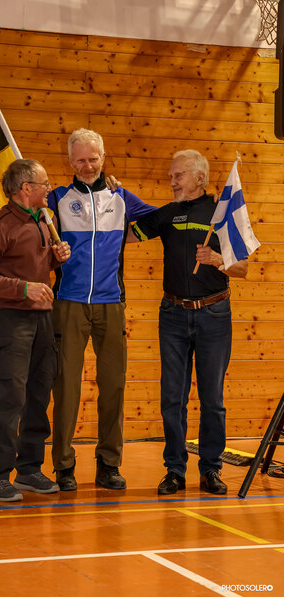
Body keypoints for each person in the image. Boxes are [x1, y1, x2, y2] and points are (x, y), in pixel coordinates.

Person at [129, 149, 248, 495]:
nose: (172, 182)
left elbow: (243, 268)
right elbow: (124, 235)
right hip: (173, 316)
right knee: (172, 398)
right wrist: (112, 198)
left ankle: (211, 469)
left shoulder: (221, 214)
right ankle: (175, 470)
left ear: (199, 177)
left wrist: (217, 259)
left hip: (214, 315)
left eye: (177, 175)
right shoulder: (167, 213)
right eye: (171, 176)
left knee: (212, 400)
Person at [47, 128, 157, 491]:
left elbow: (162, 219)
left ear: (103, 158)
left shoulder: (121, 196)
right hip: (68, 302)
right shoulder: (57, 198)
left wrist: (133, 235)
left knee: (113, 386)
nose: (87, 165)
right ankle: (64, 465)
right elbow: (20, 213)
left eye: (93, 158)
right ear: (70, 161)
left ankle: (109, 464)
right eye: (80, 159)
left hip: (111, 303)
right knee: (66, 388)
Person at [0, 158, 71, 502]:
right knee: (9, 398)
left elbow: (34, 263)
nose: (49, 188)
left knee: (38, 395)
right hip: (9, 320)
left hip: (42, 319)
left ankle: (29, 469)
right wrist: (23, 288)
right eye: (45, 183)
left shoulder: (42, 220)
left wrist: (56, 258)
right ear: (27, 188)